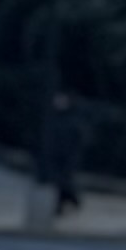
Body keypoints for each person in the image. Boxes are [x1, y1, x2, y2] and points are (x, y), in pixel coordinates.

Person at [42, 87, 84, 219]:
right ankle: (66, 203)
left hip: (67, 156)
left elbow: (77, 139)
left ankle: (69, 202)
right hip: (56, 155)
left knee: (64, 181)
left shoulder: (72, 119)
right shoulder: (54, 117)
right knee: (60, 182)